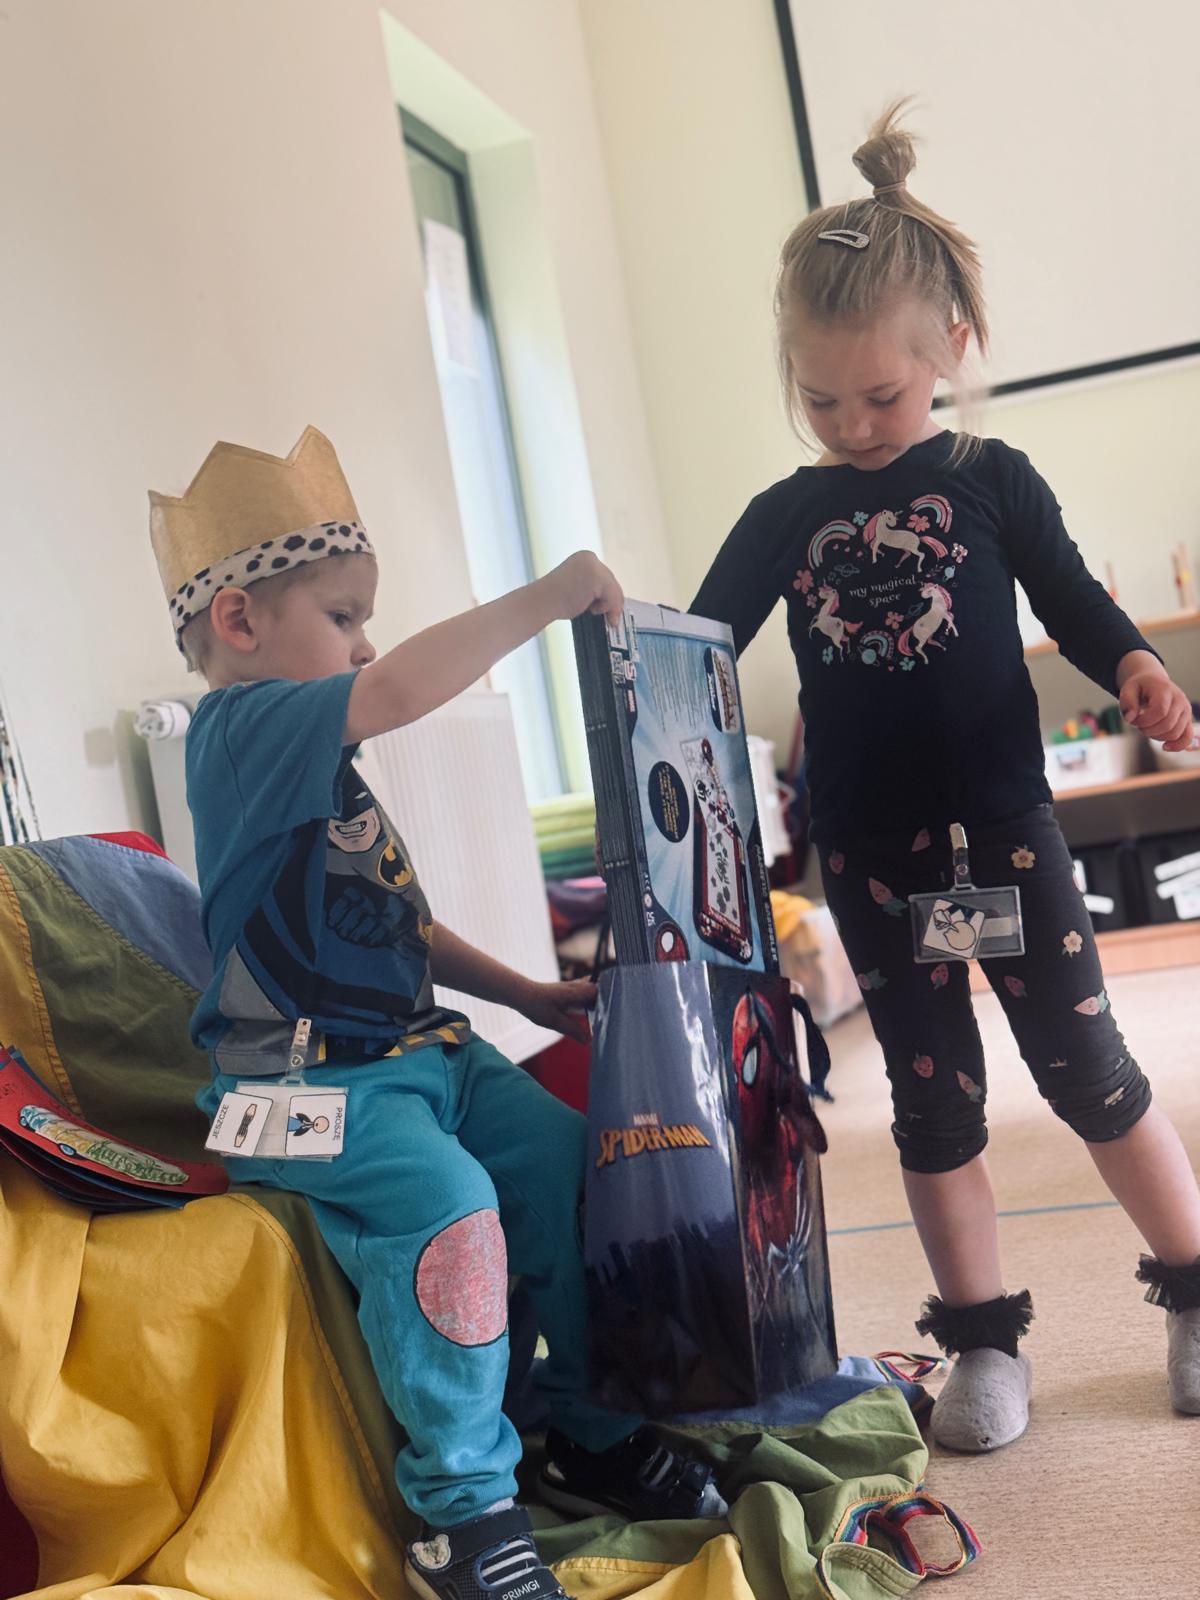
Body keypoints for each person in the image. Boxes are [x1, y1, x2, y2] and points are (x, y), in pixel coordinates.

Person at [691, 104, 1200, 1453]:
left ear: (951, 352)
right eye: (821, 400)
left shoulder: (991, 479)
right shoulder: (785, 515)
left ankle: (1195, 1290)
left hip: (1007, 838)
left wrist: (1140, 670)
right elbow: (698, 642)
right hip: (872, 856)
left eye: (882, 397)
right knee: (931, 1105)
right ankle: (982, 1341)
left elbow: (1079, 606)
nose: (853, 424)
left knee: (1091, 1071)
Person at [148, 425, 725, 1600]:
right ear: (240, 622)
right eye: (344, 615)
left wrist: (524, 992)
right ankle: (462, 1517)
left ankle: (590, 1428)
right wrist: (552, 592)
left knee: (576, 1164)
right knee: (450, 1209)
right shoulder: (240, 732)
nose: (365, 642)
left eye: (365, 621)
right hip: (300, 1087)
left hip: (424, 1056)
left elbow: (398, 926)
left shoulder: (319, 769)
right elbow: (401, 688)